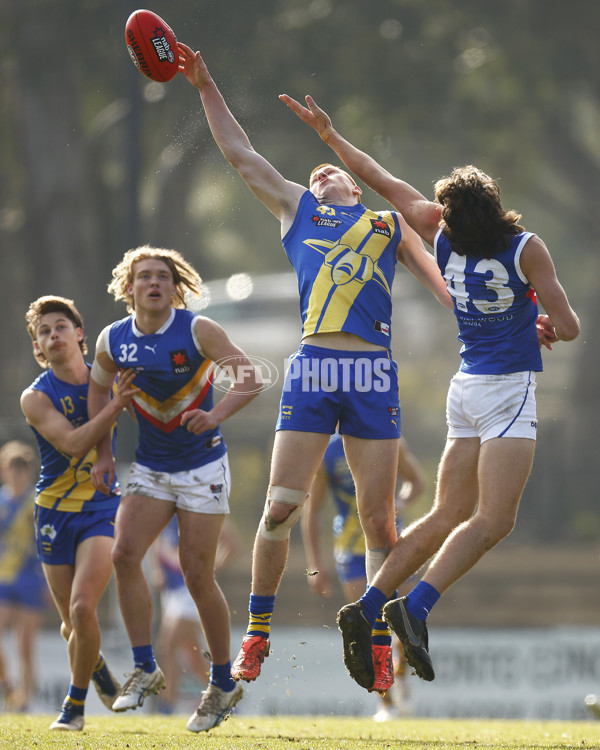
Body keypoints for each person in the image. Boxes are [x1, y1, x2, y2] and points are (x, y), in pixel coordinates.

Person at [177, 43, 454, 693]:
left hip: (372, 375)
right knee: (278, 507)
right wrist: (204, 83)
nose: (319, 174)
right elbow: (240, 154)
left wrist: (506, 320)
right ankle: (258, 628)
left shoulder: (387, 224)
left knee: (381, 524)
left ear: (353, 183)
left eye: (330, 170)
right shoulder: (297, 210)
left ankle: (379, 643)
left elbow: (445, 287)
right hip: (313, 367)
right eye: (314, 172)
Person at [280, 93, 581, 689]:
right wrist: (536, 316)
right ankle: (414, 608)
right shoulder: (528, 247)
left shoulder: (434, 230)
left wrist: (330, 135)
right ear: (497, 204)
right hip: (507, 392)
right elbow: (568, 328)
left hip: (463, 389)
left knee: (447, 512)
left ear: (449, 209)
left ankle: (367, 607)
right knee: (494, 521)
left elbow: (378, 177)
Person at [87, 246, 262, 733]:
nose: (153, 283)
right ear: (129, 288)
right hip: (151, 466)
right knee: (123, 555)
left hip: (202, 465)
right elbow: (98, 391)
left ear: (176, 286)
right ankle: (145, 667)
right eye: (143, 277)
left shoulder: (197, 329)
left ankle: (223, 683)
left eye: (162, 276)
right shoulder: (112, 340)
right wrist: (103, 451)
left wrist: (216, 413)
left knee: (196, 574)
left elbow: (250, 377)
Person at [20, 295, 138, 730]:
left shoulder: (105, 379)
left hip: (100, 506)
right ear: (38, 346)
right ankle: (99, 668)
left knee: (84, 608)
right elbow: (72, 443)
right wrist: (116, 405)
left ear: (79, 334)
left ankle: (73, 706)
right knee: (72, 626)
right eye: (44, 332)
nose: (53, 335)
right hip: (52, 513)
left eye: (60, 327)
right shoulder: (34, 397)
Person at [303, 432, 426, 718]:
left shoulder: (390, 438)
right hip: (352, 550)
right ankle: (386, 703)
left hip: (395, 543)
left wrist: (402, 504)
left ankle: (401, 673)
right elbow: (313, 512)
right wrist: (314, 567)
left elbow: (416, 481)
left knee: (408, 622)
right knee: (369, 623)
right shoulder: (327, 453)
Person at [151, 515, 242, 715]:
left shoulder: (199, 504)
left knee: (167, 646)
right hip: (172, 593)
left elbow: (232, 544)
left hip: (190, 591)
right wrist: (158, 569)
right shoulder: (165, 509)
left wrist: (210, 570)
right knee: (192, 656)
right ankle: (227, 695)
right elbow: (159, 542)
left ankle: (166, 708)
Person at [0, 440, 48, 712]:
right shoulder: (1, 501)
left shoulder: (37, 502)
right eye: (12, 467)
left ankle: (25, 703)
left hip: (31, 577)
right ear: (4, 470)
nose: (17, 473)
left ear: (29, 471)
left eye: (22, 468)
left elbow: (47, 542)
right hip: (4, 578)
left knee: (25, 645)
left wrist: (48, 582)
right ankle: (9, 689)